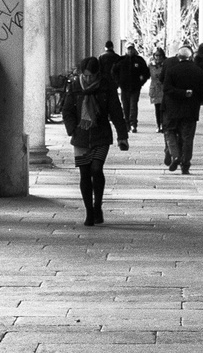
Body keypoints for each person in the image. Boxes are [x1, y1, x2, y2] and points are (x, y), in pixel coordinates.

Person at [61, 56, 128, 226]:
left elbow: (115, 111)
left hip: (101, 135)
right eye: (85, 76)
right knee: (84, 174)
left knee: (96, 169)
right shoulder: (75, 86)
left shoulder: (107, 86)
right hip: (81, 137)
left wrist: (122, 136)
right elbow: (67, 110)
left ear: (98, 74)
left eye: (91, 76)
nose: (88, 79)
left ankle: (97, 205)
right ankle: (89, 211)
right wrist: (72, 130)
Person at [162, 44, 203, 174]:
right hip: (190, 110)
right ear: (191, 57)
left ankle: (175, 155)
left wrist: (181, 93)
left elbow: (167, 89)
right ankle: (185, 164)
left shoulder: (172, 70)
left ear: (179, 57)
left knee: (170, 132)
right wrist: (192, 96)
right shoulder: (198, 71)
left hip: (173, 108)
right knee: (187, 138)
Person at [115, 43, 151, 133]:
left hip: (135, 88)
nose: (130, 51)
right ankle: (127, 124)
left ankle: (133, 124)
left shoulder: (139, 60)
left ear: (134, 50)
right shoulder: (121, 60)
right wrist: (119, 82)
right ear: (126, 50)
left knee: (133, 106)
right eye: (128, 49)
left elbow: (146, 73)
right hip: (124, 88)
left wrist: (141, 82)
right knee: (125, 106)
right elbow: (114, 71)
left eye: (131, 49)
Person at [147, 46, 167, 134]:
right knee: (157, 108)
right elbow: (146, 74)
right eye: (156, 55)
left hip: (163, 88)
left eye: (160, 55)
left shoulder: (166, 65)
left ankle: (163, 124)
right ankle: (158, 125)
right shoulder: (151, 65)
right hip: (155, 88)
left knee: (163, 108)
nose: (158, 57)